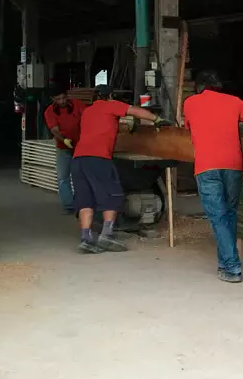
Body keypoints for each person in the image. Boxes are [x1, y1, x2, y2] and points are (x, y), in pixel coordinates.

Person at [183, 71, 243, 283]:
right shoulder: (234, 102)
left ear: (199, 87)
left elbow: (187, 127)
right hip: (233, 165)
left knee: (217, 216)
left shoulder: (190, 103)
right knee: (229, 214)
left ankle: (233, 267)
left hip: (207, 166)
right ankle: (224, 262)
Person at [72, 85, 161, 254]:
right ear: (110, 96)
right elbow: (135, 111)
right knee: (113, 195)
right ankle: (107, 235)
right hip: (98, 159)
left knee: (85, 198)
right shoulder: (110, 105)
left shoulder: (87, 112)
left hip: (79, 159)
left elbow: (103, 128)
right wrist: (157, 120)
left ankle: (86, 238)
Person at [43, 82, 86, 214]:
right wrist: (64, 140)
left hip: (81, 146)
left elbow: (87, 119)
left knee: (81, 176)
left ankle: (83, 204)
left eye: (63, 98)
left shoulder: (78, 105)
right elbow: (54, 130)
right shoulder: (50, 111)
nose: (61, 101)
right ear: (53, 100)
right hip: (63, 147)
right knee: (63, 177)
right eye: (58, 99)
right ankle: (69, 206)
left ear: (67, 95)